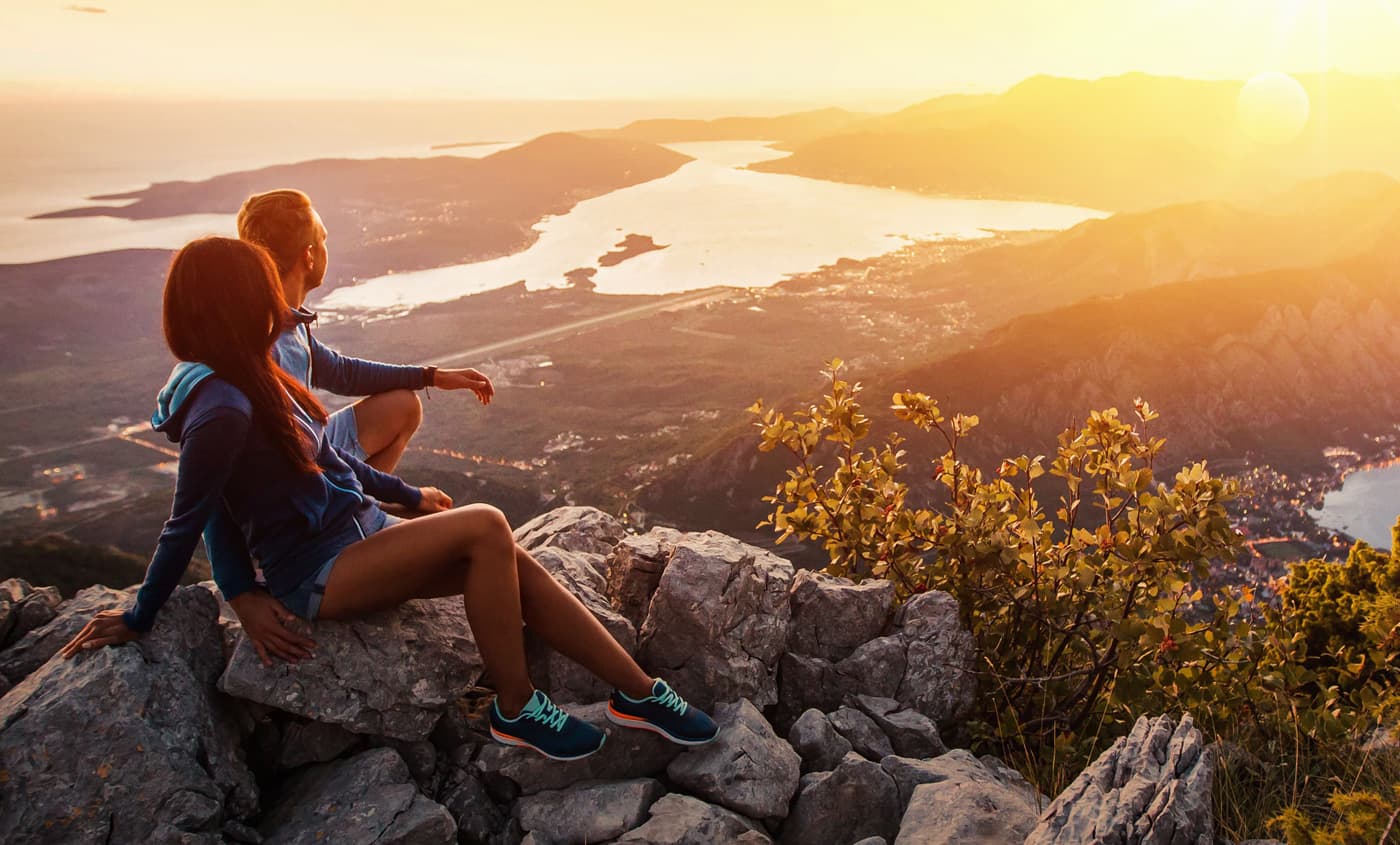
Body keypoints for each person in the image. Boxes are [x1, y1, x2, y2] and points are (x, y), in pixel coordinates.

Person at [58, 237, 718, 760]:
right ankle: (515, 708)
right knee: (488, 526)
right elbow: (193, 517)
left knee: (506, 558)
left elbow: (329, 456)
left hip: (356, 536)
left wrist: (404, 496)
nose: (281, 308)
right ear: (235, 306)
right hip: (315, 572)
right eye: (265, 295)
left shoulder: (252, 372)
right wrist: (156, 611)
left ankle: (640, 693)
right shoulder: (219, 406)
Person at [218, 188, 492, 666]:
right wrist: (239, 592)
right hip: (292, 475)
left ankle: (364, 509)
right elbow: (212, 483)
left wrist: (431, 377)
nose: (327, 246)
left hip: (309, 449)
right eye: (323, 238)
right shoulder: (257, 344)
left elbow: (339, 372)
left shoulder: (290, 319)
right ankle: (360, 518)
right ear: (308, 254)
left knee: (403, 406)